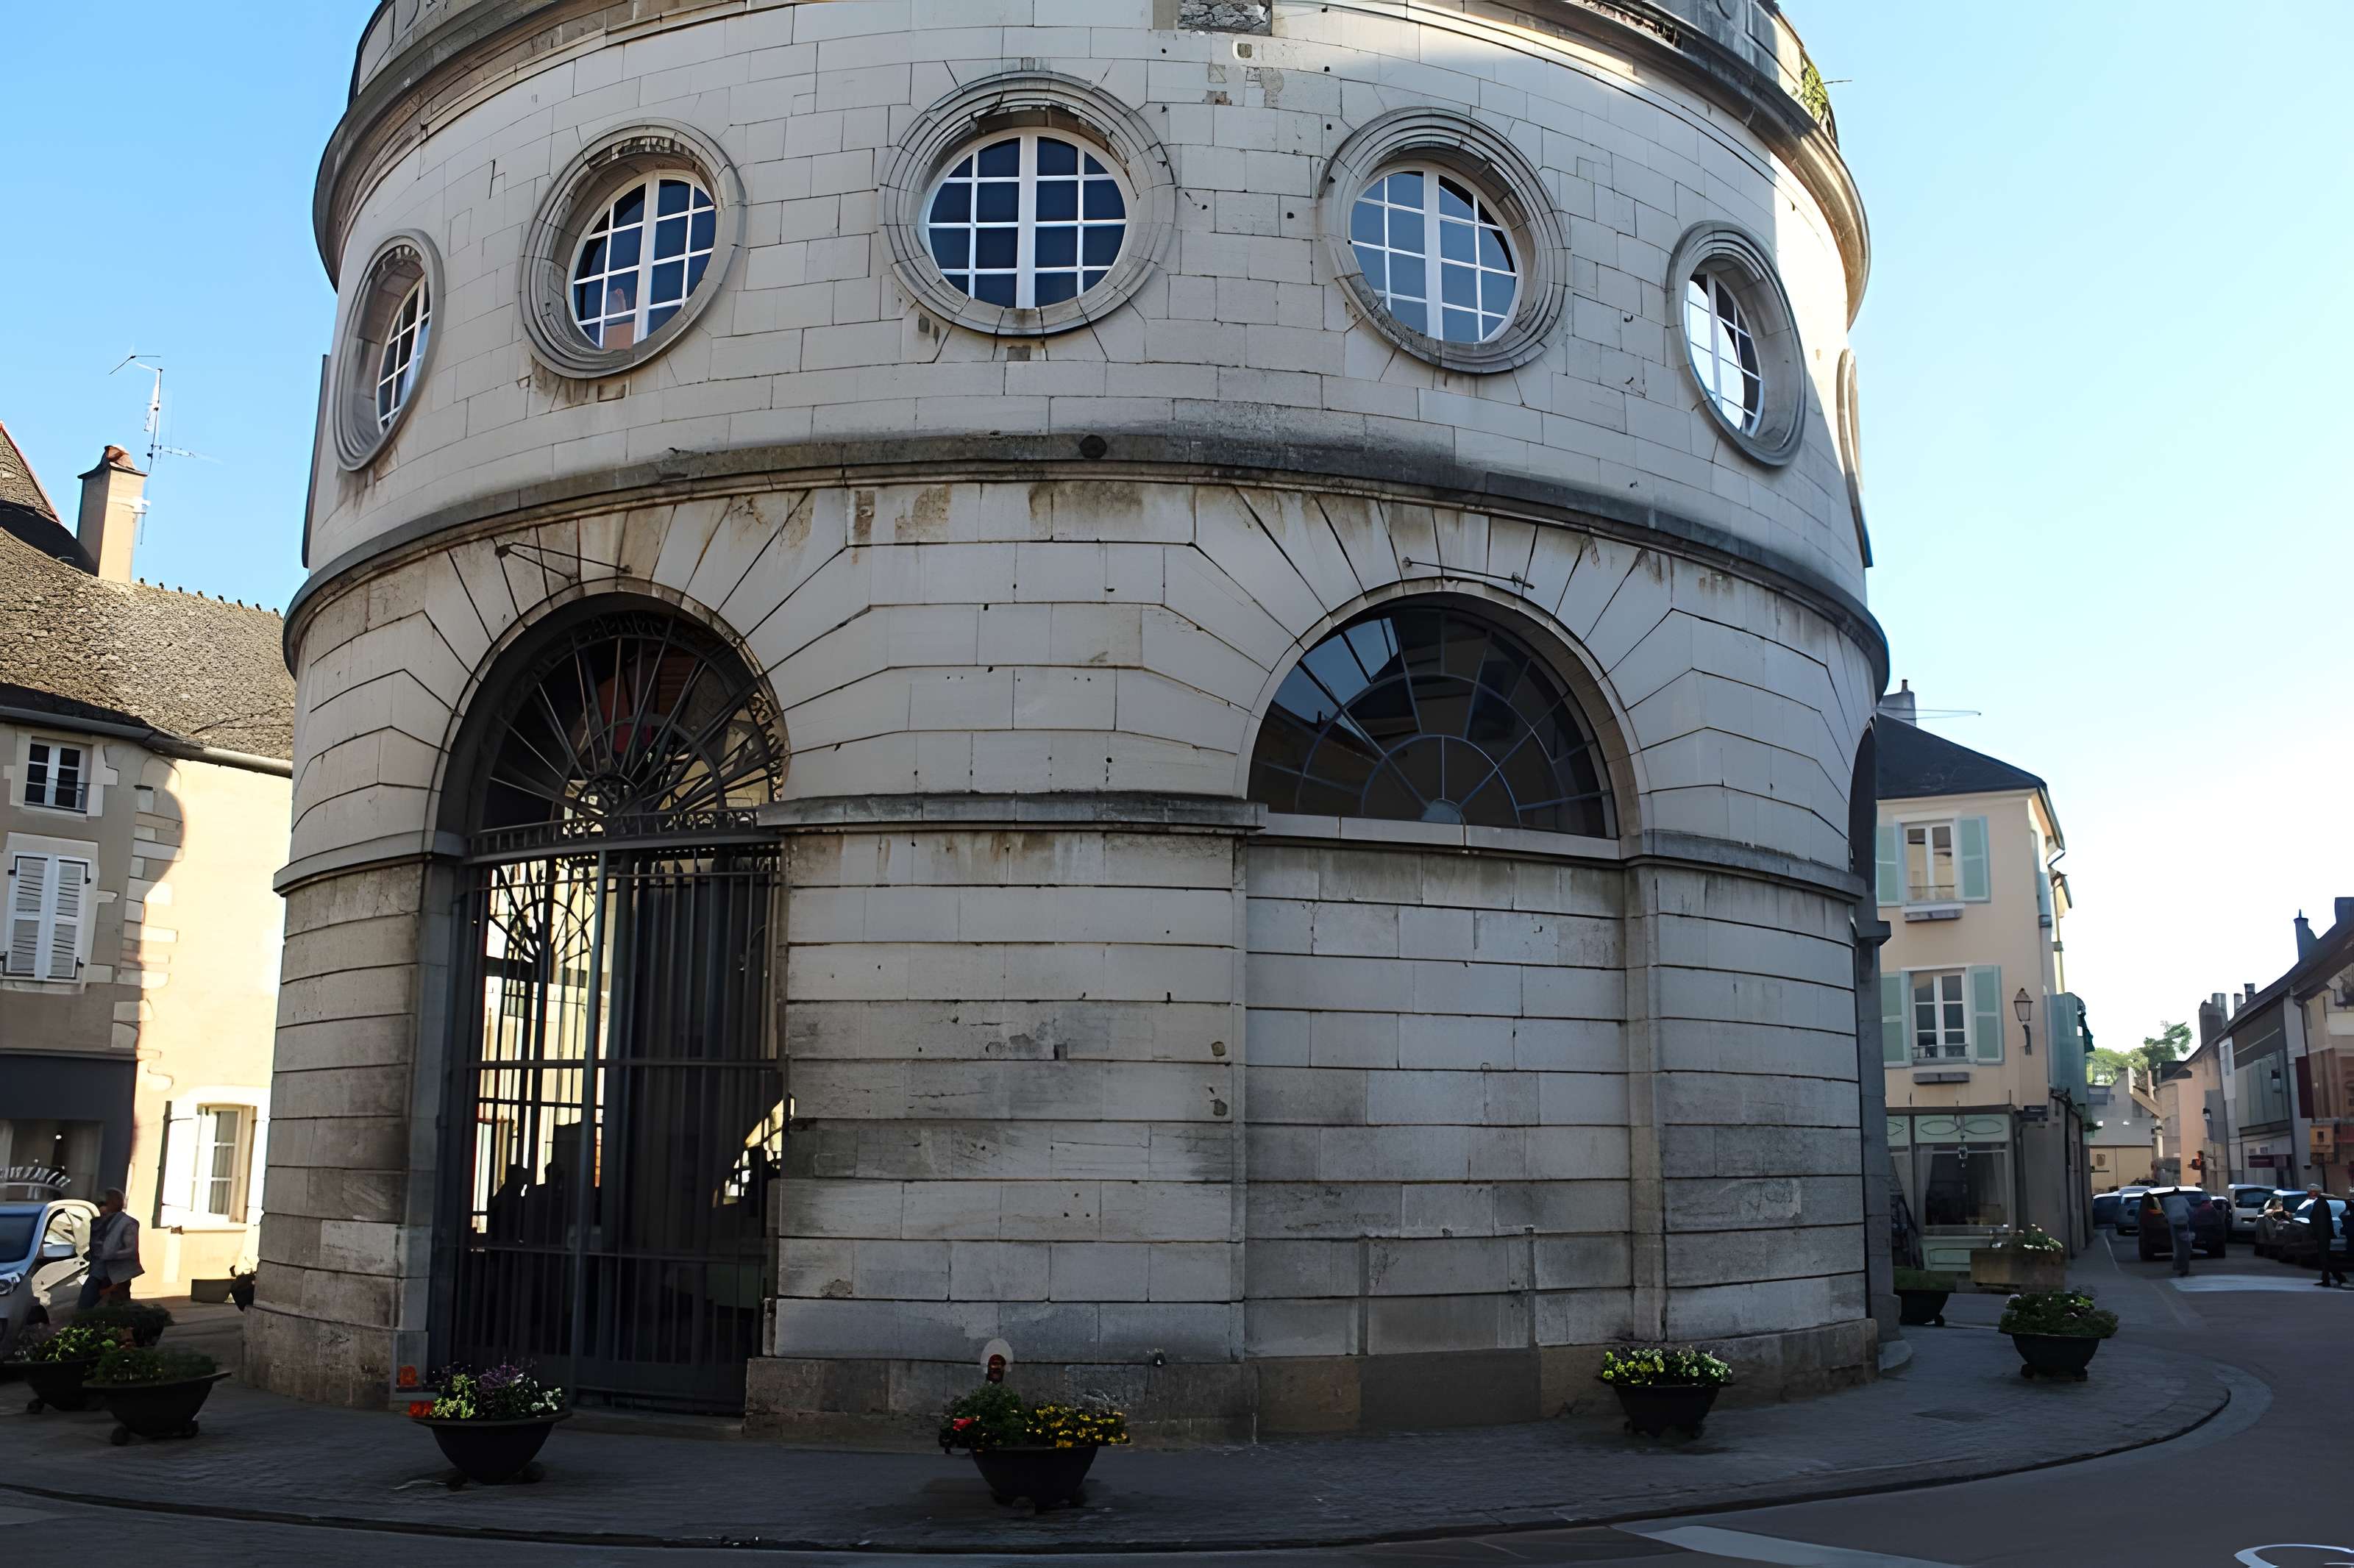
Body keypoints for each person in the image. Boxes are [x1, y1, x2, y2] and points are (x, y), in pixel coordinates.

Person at [77, 1188, 143, 1309]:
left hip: (117, 1272)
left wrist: (111, 1254)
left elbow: (131, 1250)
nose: (102, 1208)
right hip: (96, 1270)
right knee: (88, 1303)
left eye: (104, 1204)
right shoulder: (98, 1221)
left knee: (114, 1306)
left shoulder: (128, 1223)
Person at [2305, 1185, 2345, 1289]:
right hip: (2322, 1235)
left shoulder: (2320, 1203)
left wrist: (2320, 1235)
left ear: (2315, 1192)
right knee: (2325, 1258)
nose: (2308, 1193)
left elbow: (2322, 1222)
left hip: (2323, 1235)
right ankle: (2327, 1279)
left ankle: (2339, 1278)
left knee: (2325, 1258)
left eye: (2310, 1192)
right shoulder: (2320, 1202)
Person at [2159, 1188, 2194, 1277]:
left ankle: (2177, 1264)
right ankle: (2184, 1267)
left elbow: (2164, 1211)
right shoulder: (2183, 1198)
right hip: (2184, 1221)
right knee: (2185, 1245)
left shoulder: (2166, 1200)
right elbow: (2189, 1210)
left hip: (2173, 1222)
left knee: (2177, 1244)